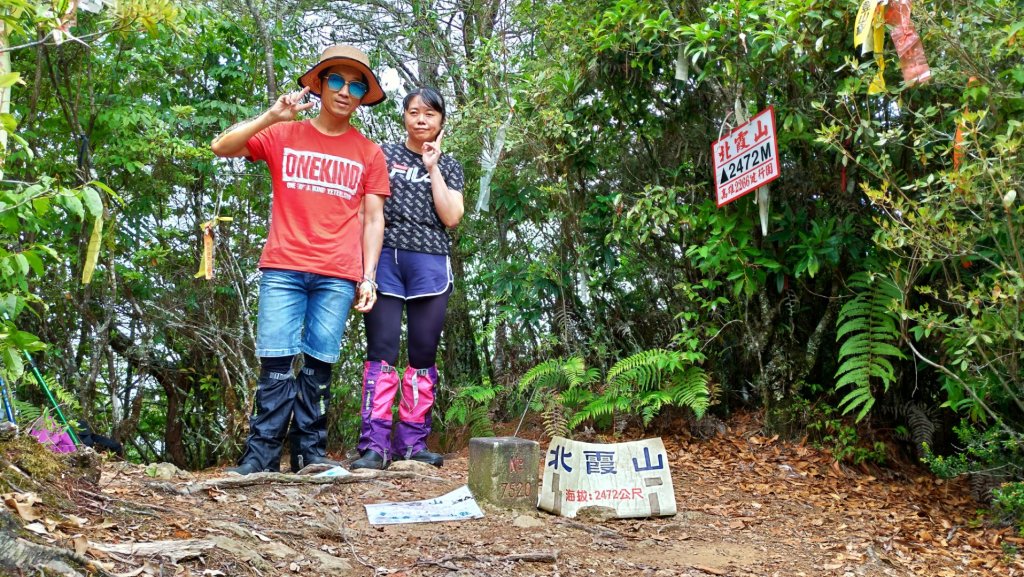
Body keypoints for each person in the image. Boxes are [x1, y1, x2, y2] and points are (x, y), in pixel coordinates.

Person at [211, 45, 390, 475]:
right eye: (336, 80)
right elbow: (221, 146)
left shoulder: (369, 153)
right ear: (318, 84)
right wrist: (272, 116)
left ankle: (310, 454)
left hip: (337, 273)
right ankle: (261, 456)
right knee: (274, 361)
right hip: (283, 266)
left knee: (319, 365)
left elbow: (372, 219)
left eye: (356, 84)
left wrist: (368, 277)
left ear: (364, 95)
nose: (345, 90)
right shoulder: (283, 135)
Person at [351, 87, 464, 470]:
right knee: (381, 351)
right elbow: (370, 213)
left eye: (429, 114)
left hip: (430, 263)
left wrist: (433, 166)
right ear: (404, 116)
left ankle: (413, 444)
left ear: (441, 121)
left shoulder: (449, 165)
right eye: (414, 111)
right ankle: (375, 445)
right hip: (385, 260)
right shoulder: (382, 155)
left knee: (422, 353)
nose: (421, 119)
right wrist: (365, 271)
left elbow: (451, 217)